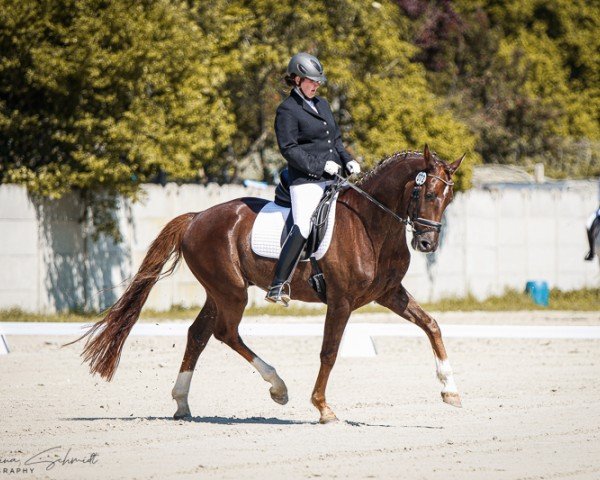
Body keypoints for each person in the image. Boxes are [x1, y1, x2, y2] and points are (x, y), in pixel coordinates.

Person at [265, 52, 361, 306]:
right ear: (296, 79)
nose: (316, 85)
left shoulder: (323, 104)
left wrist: (347, 158)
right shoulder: (287, 110)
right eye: (310, 81)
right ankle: (278, 284)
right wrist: (320, 166)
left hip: (333, 178)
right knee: (304, 225)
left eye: (318, 81)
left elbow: (335, 141)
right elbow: (289, 149)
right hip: (305, 181)